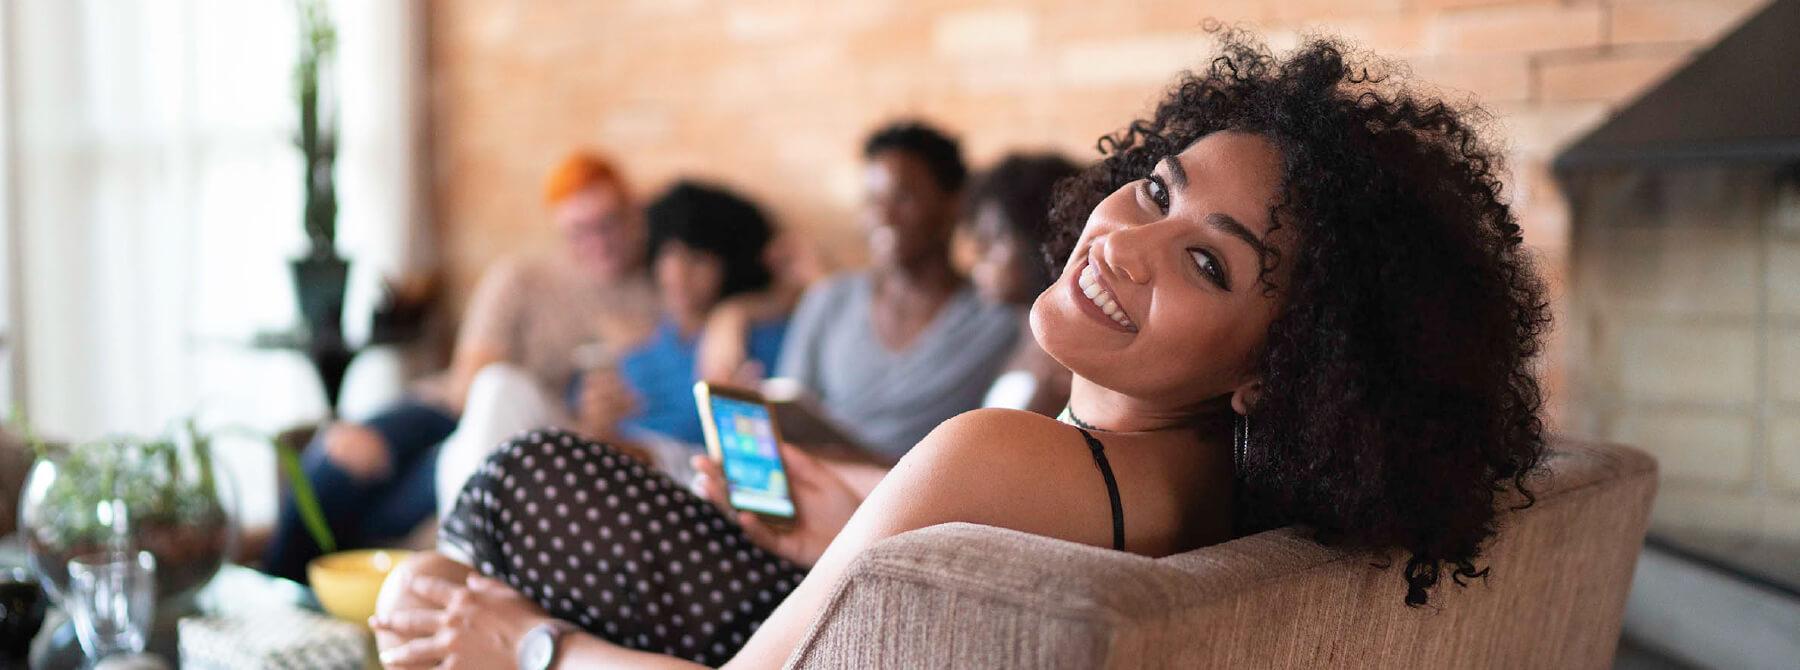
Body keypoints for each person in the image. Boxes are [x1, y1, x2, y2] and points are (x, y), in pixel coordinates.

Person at [372, 31, 1551, 668]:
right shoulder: (1197, 482)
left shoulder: (995, 450)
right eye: (1156, 188)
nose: (1125, 240)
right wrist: (869, 527)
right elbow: (984, 581)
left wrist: (524, 643)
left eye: (1207, 262)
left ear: (1280, 366)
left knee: (509, 486)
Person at [262, 151, 658, 581]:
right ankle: (272, 586)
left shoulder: (657, 297)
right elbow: (473, 380)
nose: (598, 242)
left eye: (608, 223)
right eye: (580, 230)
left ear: (632, 213)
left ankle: (316, 581)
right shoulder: (522, 278)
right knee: (341, 455)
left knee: (396, 507)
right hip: (446, 410)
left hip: (533, 439)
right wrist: (388, 434)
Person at [431, 181, 788, 516]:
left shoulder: (753, 340)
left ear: (729, 265)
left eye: (696, 259)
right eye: (667, 256)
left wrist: (734, 314)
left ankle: (467, 541)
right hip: (598, 463)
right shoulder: (645, 337)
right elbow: (581, 425)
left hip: (672, 475)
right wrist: (594, 424)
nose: (676, 274)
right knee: (494, 394)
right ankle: (469, 536)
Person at [771, 121, 1020, 460]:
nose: (882, 216)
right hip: (819, 479)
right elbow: (788, 413)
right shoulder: (830, 300)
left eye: (903, 198)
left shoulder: (995, 318)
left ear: (953, 204)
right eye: (872, 200)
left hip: (928, 489)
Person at [965, 152, 1083, 415]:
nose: (980, 256)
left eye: (995, 239)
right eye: (979, 241)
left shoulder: (1062, 367)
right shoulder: (1017, 337)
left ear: (1041, 240)